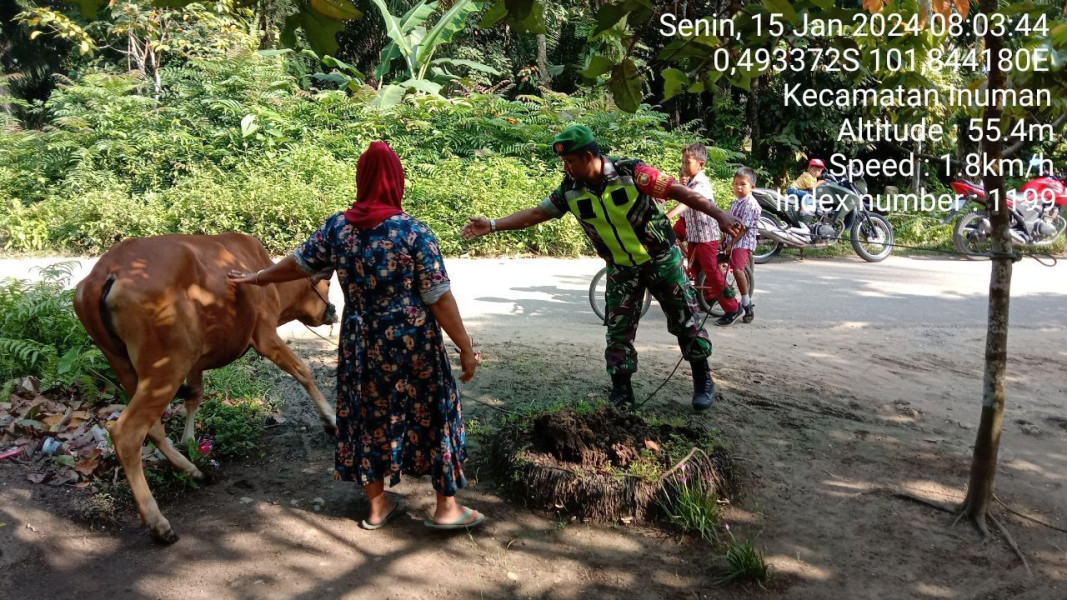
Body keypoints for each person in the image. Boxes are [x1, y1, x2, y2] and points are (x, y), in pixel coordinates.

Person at [227, 142, 485, 531]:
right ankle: (447, 508)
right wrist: (465, 346)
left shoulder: (338, 228)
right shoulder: (413, 232)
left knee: (365, 414)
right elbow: (438, 296)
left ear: (360, 180)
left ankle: (378, 507)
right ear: (397, 180)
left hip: (361, 340)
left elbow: (299, 263)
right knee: (435, 411)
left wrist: (257, 277)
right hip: (413, 341)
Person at [461, 125, 742, 412]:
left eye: (569, 161)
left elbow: (678, 192)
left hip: (661, 259)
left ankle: (703, 380)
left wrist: (719, 214)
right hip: (621, 268)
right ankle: (621, 391)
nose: (565, 167)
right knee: (618, 331)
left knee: (685, 320)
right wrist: (493, 225)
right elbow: (537, 213)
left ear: (587, 156)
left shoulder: (632, 173)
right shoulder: (569, 190)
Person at [666, 143, 740, 317]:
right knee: (695, 270)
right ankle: (708, 299)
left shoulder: (701, 183)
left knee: (711, 272)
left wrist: (669, 215)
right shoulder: (690, 181)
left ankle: (733, 308)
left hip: (706, 236)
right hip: (694, 234)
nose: (683, 166)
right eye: (682, 162)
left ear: (701, 164)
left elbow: (687, 201)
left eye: (687, 162)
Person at [718, 167, 761, 326]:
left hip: (743, 241)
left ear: (752, 187)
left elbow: (743, 229)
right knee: (715, 263)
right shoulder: (735, 202)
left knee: (737, 269)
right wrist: (722, 239)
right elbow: (728, 224)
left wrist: (730, 244)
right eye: (735, 183)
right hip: (731, 239)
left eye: (743, 184)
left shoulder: (752, 205)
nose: (738, 187)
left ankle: (746, 302)